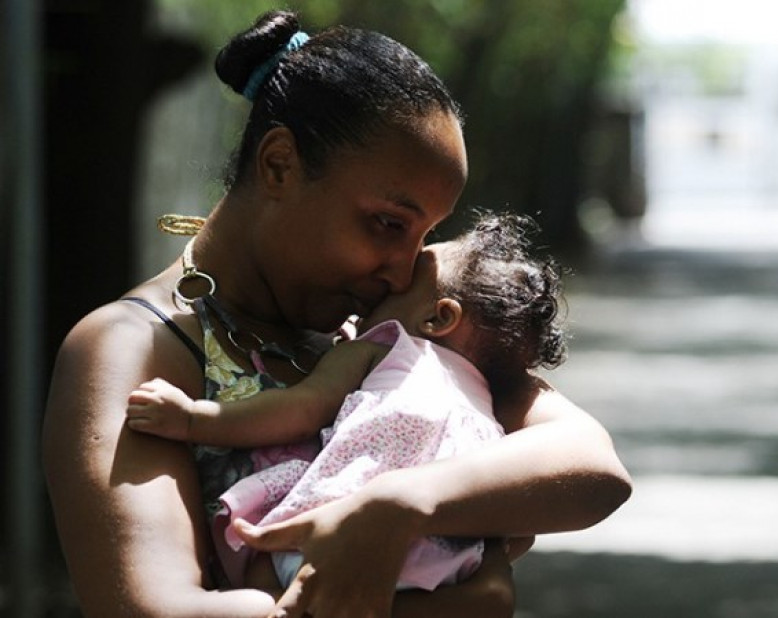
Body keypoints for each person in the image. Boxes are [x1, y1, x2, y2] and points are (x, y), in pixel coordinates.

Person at [41, 10, 631, 618]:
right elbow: (154, 609)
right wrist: (464, 601)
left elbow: (592, 466)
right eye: (387, 224)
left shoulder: (392, 327)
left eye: (425, 235)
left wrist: (401, 503)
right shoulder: (136, 347)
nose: (405, 271)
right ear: (278, 165)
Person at [124, 213, 567, 595]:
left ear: (438, 317)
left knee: (261, 547)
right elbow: (518, 533)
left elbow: (301, 408)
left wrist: (191, 419)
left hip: (342, 539)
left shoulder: (388, 346)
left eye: (410, 279)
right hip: (446, 566)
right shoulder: (489, 408)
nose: (389, 283)